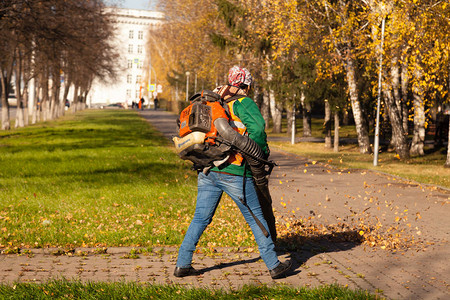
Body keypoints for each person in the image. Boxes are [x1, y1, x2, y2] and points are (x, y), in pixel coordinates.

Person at [174, 66, 291, 279]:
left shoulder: (214, 99)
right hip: (234, 170)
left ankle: (182, 264)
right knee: (256, 216)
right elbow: (257, 130)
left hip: (208, 169)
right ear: (246, 85)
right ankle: (274, 265)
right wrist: (261, 156)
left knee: (200, 218)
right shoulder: (243, 102)